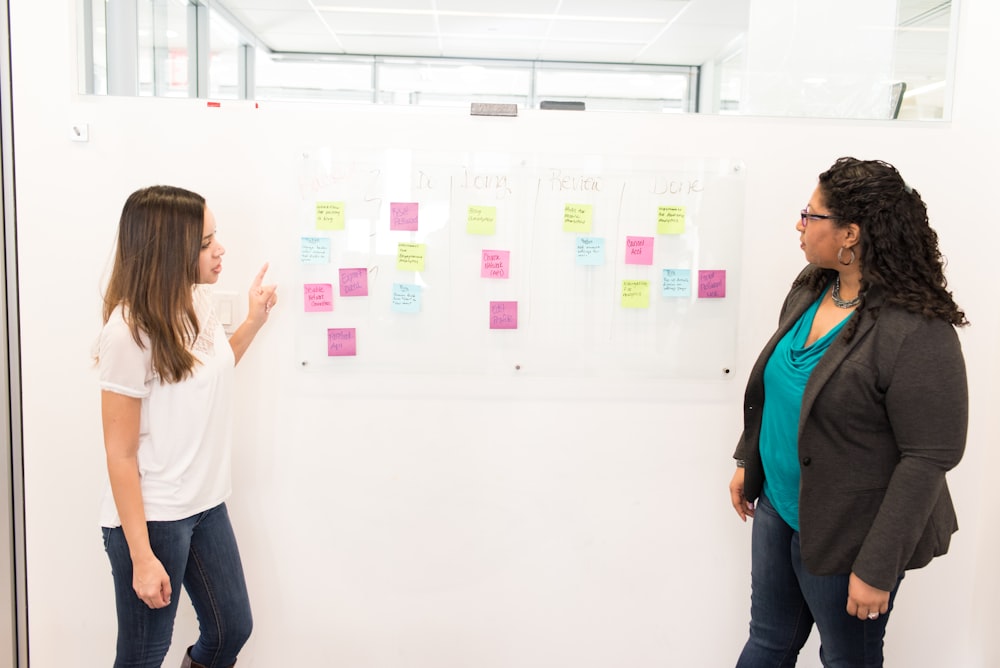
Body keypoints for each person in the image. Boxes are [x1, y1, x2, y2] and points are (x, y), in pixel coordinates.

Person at [728, 157, 968, 667]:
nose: (799, 224)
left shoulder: (917, 329)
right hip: (778, 507)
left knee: (845, 658)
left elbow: (929, 456)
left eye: (810, 214)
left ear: (850, 234)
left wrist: (878, 566)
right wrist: (751, 460)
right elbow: (784, 388)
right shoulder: (812, 286)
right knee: (767, 641)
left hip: (851, 531)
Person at [97, 185, 278, 668]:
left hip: (206, 504)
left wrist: (254, 321)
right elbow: (119, 454)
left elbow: (210, 372)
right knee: (142, 655)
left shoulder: (196, 303)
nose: (220, 250)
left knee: (231, 629)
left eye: (214, 237)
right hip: (155, 516)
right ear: (167, 250)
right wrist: (141, 555)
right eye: (204, 243)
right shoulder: (127, 333)